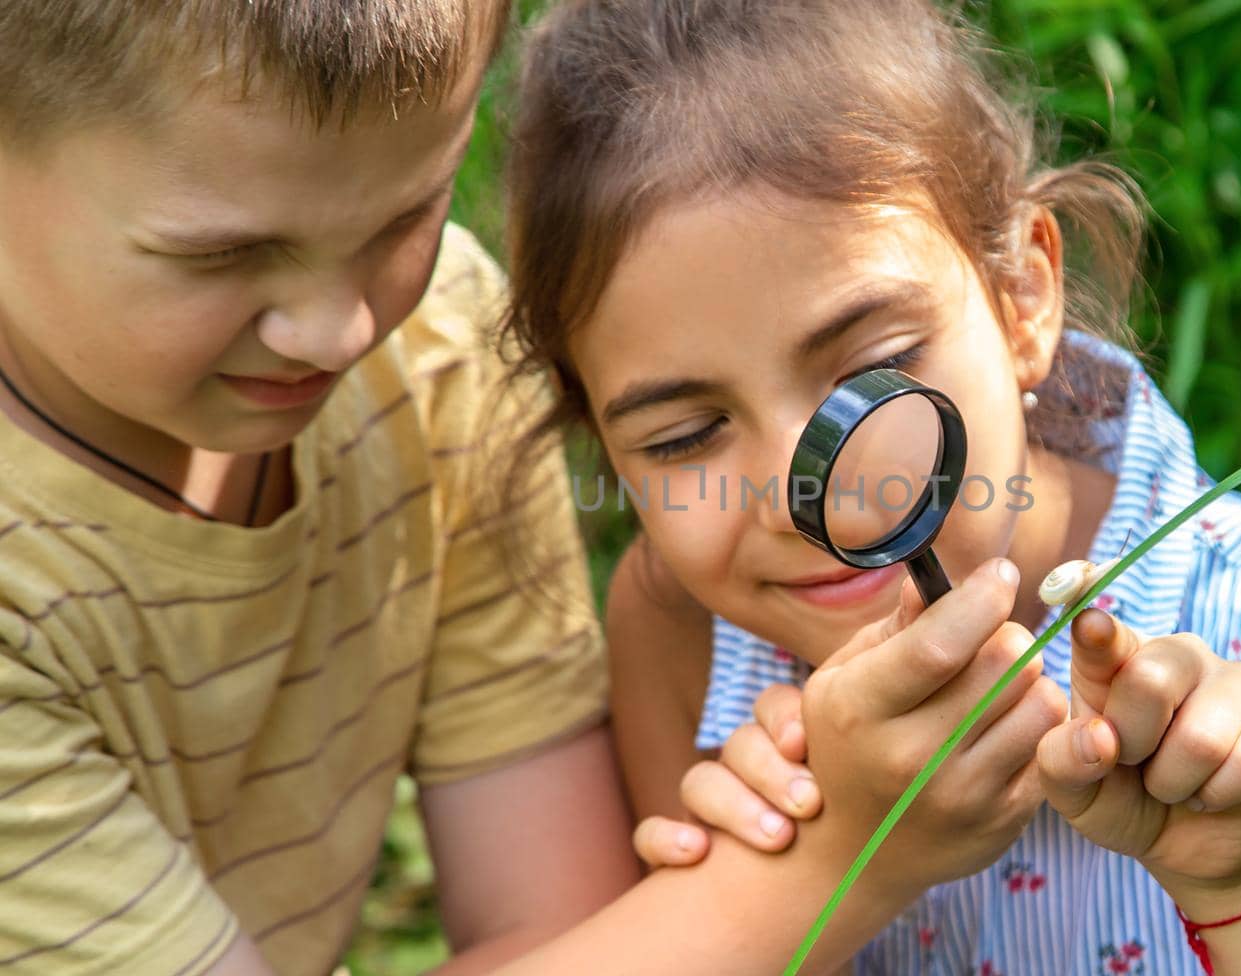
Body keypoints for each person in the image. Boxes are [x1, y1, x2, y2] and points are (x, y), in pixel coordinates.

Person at [0, 1, 1072, 974]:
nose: (340, 330)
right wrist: (836, 857)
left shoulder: (433, 349)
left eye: (400, 221)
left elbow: (550, 921)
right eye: (220, 256)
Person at [499, 0, 1241, 972]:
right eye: (684, 435)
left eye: (870, 370)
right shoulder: (681, 629)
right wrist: (812, 866)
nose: (813, 504)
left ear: (1021, 295)